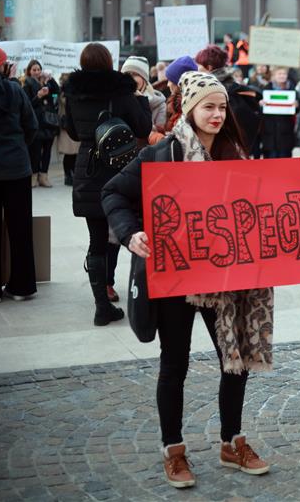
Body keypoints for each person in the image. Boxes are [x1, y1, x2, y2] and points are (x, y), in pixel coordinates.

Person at [102, 71, 272, 487]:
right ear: (190, 108)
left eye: (221, 106)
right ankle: (173, 450)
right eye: (208, 106)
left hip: (227, 282)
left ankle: (232, 442)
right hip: (177, 279)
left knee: (235, 364)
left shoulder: (237, 155)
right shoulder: (161, 155)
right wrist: (131, 233)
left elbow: (263, 210)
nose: (216, 114)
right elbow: (113, 193)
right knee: (173, 364)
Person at [62, 42, 152, 326]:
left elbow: (75, 133)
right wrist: (140, 100)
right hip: (118, 170)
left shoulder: (74, 94)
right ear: (108, 61)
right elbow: (143, 128)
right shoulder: (121, 91)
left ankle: (102, 304)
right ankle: (144, 293)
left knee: (96, 240)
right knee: (133, 231)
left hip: (87, 169)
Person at [0, 45, 39, 303]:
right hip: (16, 167)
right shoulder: (15, 90)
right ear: (2, 66)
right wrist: (19, 145)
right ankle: (22, 286)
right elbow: (31, 126)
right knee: (20, 227)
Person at [196, 45, 262, 159]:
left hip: (222, 155)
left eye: (199, 65)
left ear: (209, 67)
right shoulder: (230, 87)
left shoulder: (220, 91)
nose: (196, 68)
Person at [21, 59, 59, 188]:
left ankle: (44, 176)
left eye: (38, 69)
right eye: (34, 70)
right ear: (29, 71)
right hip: (36, 123)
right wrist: (38, 96)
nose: (37, 72)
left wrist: (51, 79)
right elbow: (27, 105)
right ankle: (34, 176)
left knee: (47, 150)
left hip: (49, 122)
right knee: (35, 152)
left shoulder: (46, 82)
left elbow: (57, 92)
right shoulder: (27, 84)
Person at [259, 67, 297, 158]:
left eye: (284, 74)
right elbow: (260, 111)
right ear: (274, 76)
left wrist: (296, 105)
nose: (282, 76)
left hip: (286, 130)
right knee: (270, 160)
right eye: (279, 74)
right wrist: (261, 104)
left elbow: (297, 110)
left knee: (284, 159)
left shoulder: (292, 88)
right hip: (270, 130)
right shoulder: (266, 88)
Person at [122, 55, 167, 132]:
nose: (131, 79)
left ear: (144, 79)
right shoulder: (116, 99)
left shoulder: (159, 104)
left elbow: (161, 134)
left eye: (135, 74)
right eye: (127, 74)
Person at [55, 72, 80, 186]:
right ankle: (67, 175)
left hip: (73, 126)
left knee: (74, 153)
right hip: (66, 126)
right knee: (68, 153)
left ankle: (72, 174)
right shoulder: (63, 94)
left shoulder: (74, 93)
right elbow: (65, 104)